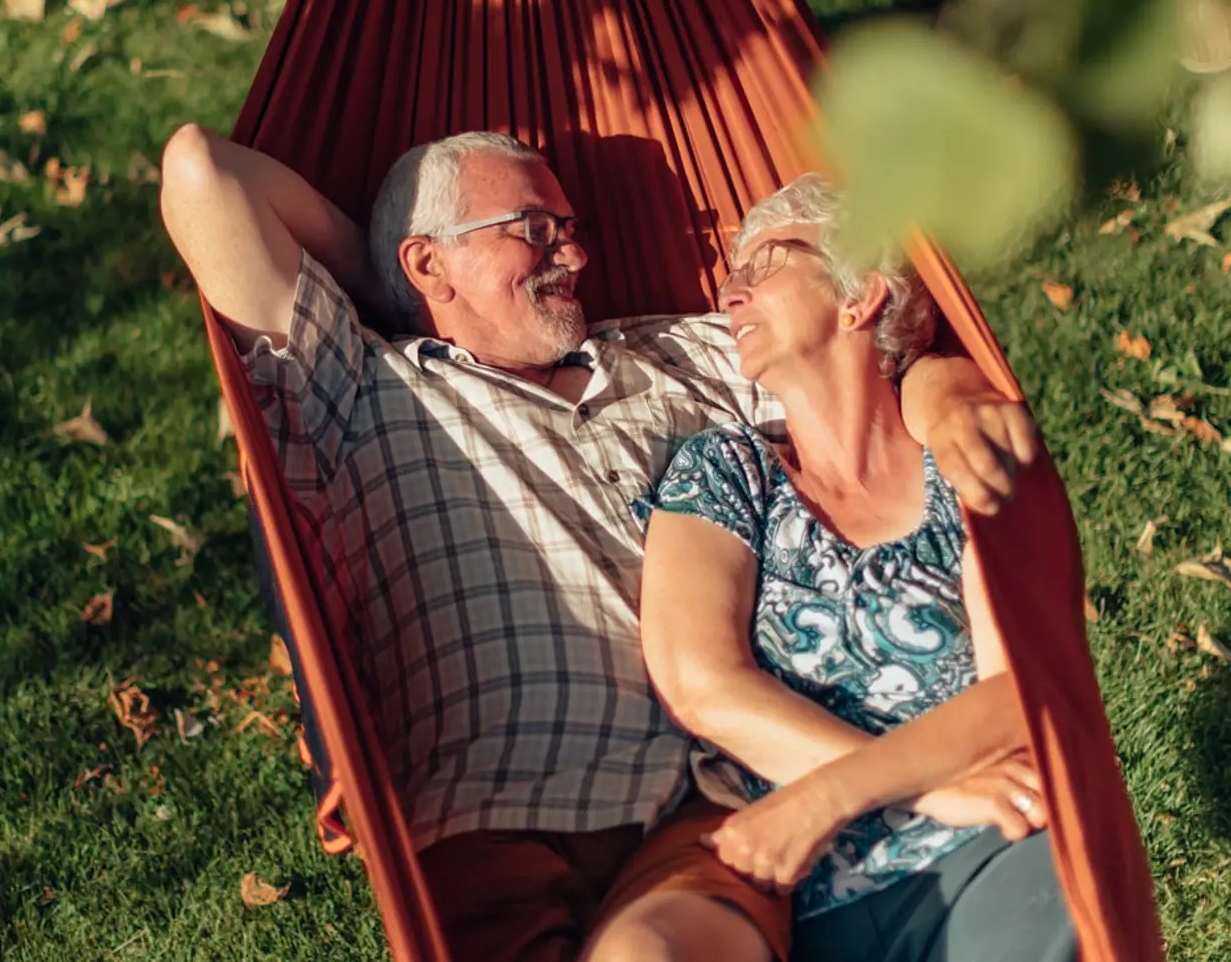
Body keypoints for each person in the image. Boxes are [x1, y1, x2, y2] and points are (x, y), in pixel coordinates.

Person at [159, 126, 1039, 962]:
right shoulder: (355, 389)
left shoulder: (683, 357)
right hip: (491, 822)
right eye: (533, 230)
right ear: (428, 260)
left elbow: (863, 352)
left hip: (705, 804)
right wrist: (396, 285)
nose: (573, 254)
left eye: (571, 231)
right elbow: (203, 172)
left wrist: (954, 401)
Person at [636, 173, 1076, 961]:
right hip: (794, 893)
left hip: (989, 848)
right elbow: (703, 685)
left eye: (764, 261)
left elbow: (1027, 690)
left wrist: (835, 794)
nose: (730, 294)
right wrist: (927, 786)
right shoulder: (727, 471)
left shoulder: (962, 459)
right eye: (731, 273)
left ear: (859, 295)